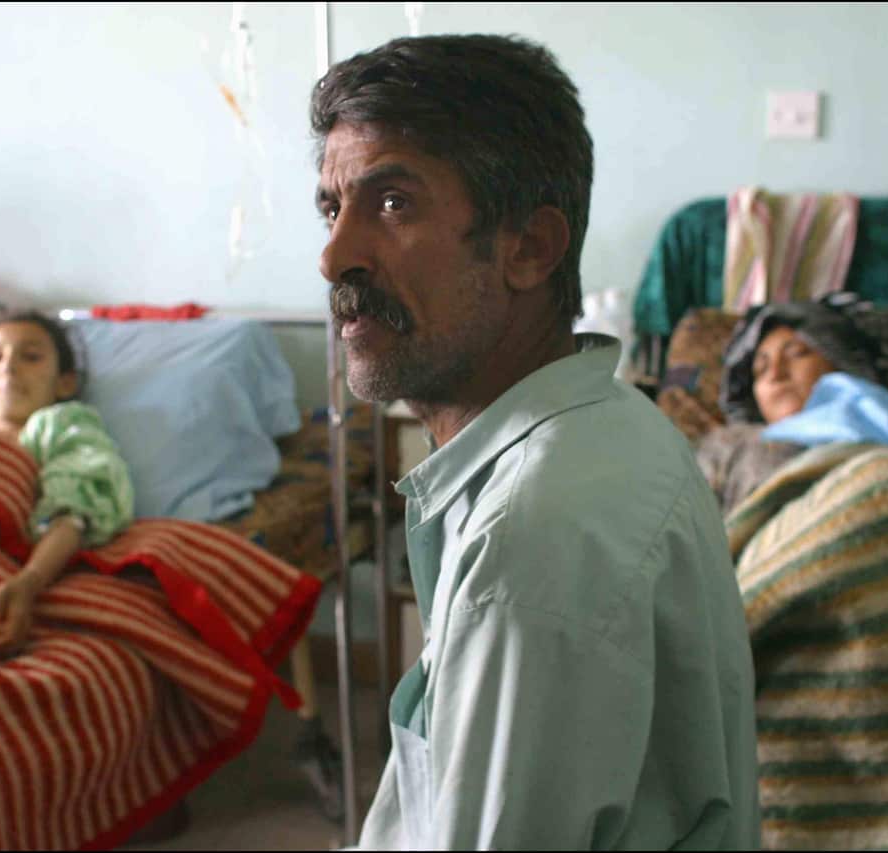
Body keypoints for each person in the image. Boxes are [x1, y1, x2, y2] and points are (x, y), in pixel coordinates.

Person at [311, 34, 760, 849]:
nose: (334, 255)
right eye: (332, 208)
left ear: (529, 247)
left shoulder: (532, 539)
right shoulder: (610, 426)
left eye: (391, 203)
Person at [700, 299, 888, 514]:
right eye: (760, 368)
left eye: (796, 354)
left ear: (839, 361)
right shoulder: (729, 446)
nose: (775, 374)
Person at [0, 311, 135, 660]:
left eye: (30, 357)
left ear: (65, 383)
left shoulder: (58, 427)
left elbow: (73, 512)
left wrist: (29, 581)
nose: (8, 367)